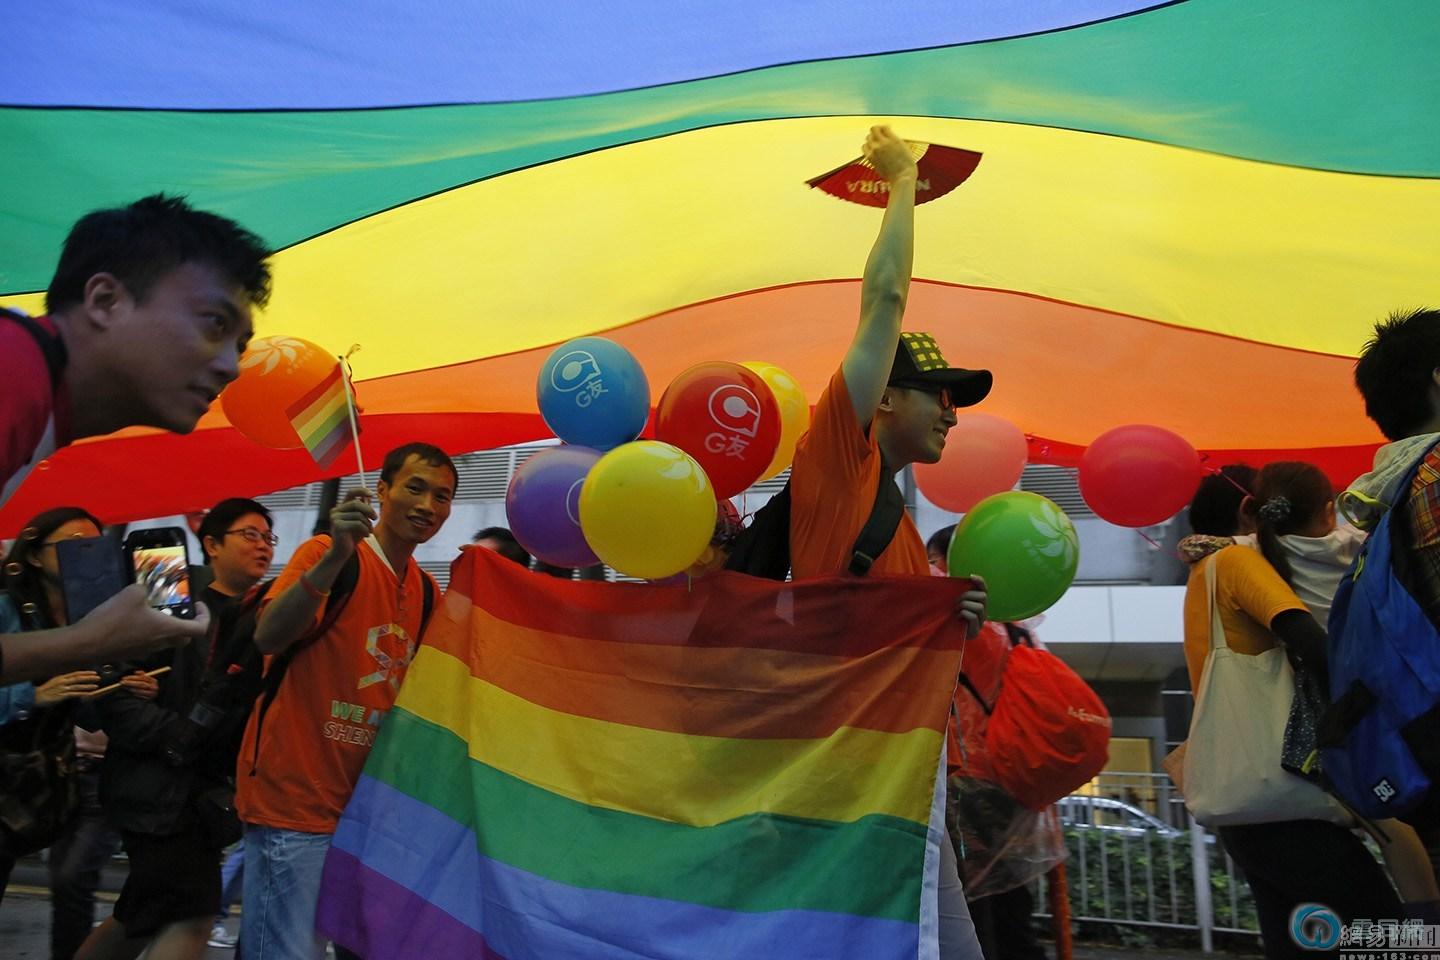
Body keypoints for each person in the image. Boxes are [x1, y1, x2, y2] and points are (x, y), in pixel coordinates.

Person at [785, 125, 988, 959]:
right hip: (853, 786)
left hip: (902, 779)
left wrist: (950, 623)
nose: (952, 414)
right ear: (880, 401)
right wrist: (902, 180)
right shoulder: (837, 460)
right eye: (937, 393)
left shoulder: (896, 521)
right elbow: (883, 301)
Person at [1, 194, 269, 683]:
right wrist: (90, 642)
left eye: (241, 345)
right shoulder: (11, 371)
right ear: (106, 300)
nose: (232, 367)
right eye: (215, 323)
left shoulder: (33, 395)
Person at [237, 443, 455, 960]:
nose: (428, 505)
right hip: (294, 805)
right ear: (382, 490)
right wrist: (336, 555)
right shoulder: (328, 554)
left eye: (442, 496)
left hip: (366, 817)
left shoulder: (427, 592)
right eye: (415, 488)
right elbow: (268, 636)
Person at [1180, 463, 1406, 958]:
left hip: (1247, 806)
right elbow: (1315, 648)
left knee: (1301, 941)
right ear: (1249, 510)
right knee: (1392, 934)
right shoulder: (1236, 562)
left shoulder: (1201, 572)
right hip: (1287, 798)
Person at [0, 506, 158, 960]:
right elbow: (38, 694)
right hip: (10, 775)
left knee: (72, 884)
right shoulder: (8, 608)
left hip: (41, 783)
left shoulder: (88, 615)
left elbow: (86, 710)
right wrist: (33, 695)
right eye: (72, 544)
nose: (85, 553)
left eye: (95, 545)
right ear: (34, 555)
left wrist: (124, 688)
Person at [191, 499, 277, 950]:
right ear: (212, 545)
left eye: (268, 538)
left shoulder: (266, 611)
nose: (263, 546)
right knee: (187, 912)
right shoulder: (181, 604)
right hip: (173, 781)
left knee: (160, 912)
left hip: (224, 783)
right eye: (250, 535)